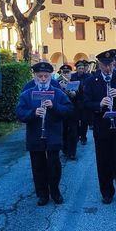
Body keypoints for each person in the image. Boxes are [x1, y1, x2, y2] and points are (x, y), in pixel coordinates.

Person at [16, 61, 74, 206]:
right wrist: (33, 113)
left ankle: (55, 192)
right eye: (40, 76)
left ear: (50, 76)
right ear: (35, 76)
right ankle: (42, 194)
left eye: (46, 76)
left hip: (53, 134)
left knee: (54, 165)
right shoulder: (27, 94)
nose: (43, 79)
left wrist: (54, 106)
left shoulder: (58, 93)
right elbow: (19, 113)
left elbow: (69, 110)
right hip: (35, 135)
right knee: (38, 166)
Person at [83, 49, 116, 207]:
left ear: (114, 63)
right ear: (99, 65)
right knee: (103, 162)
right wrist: (99, 104)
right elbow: (86, 103)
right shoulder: (91, 81)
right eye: (104, 65)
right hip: (102, 128)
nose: (108, 68)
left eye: (110, 65)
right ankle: (107, 193)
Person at [57, 64, 79, 159]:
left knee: (73, 131)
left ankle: (72, 152)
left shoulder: (75, 82)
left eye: (68, 72)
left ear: (71, 73)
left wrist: (74, 93)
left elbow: (80, 95)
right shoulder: (56, 83)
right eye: (64, 72)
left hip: (73, 111)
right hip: (62, 111)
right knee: (63, 131)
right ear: (61, 73)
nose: (66, 74)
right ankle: (65, 149)